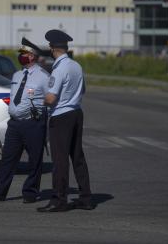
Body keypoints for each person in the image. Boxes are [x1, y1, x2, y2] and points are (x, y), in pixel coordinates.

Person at [0, 37, 49, 204]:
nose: (21, 56)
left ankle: (30, 193)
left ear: (32, 56)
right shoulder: (17, 74)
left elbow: (51, 100)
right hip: (14, 124)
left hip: (33, 123)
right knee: (7, 160)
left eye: (24, 53)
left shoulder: (44, 77)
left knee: (34, 161)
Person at [37, 29, 93, 212]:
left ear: (53, 49)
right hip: (76, 113)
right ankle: (86, 198)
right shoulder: (77, 66)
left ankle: (59, 200)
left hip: (61, 117)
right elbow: (82, 90)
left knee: (60, 160)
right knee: (77, 157)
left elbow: (51, 98)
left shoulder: (59, 68)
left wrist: (40, 100)